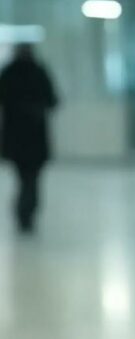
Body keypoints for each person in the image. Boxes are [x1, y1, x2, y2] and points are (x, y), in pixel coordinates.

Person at [0, 43, 58, 234]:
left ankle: (24, 212)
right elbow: (53, 101)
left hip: (19, 138)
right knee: (30, 180)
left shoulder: (10, 73)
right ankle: (26, 212)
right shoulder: (37, 72)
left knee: (26, 179)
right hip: (32, 138)